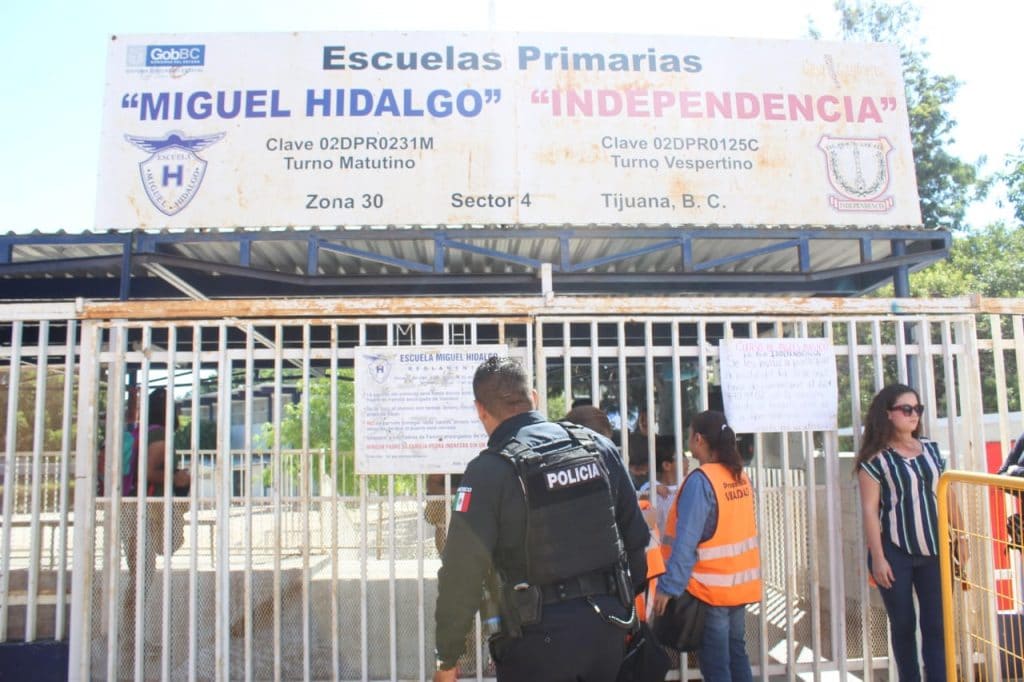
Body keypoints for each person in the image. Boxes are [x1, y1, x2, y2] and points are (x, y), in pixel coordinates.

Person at [433, 356, 649, 682]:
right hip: (607, 630)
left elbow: (461, 576)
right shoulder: (598, 447)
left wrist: (447, 658)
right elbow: (636, 541)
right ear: (533, 397)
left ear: (480, 409)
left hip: (535, 640)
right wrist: (622, 612)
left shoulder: (489, 472)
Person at [854, 383, 965, 682]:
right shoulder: (875, 460)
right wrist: (877, 558)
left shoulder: (930, 449)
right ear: (888, 414)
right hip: (895, 552)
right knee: (903, 626)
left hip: (936, 550)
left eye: (918, 409)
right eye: (907, 409)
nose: (913, 414)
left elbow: (947, 493)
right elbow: (869, 511)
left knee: (937, 627)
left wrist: (961, 535)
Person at [653, 410, 761, 682]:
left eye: (690, 436)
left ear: (698, 439)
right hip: (738, 587)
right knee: (737, 655)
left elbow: (686, 542)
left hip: (710, 591)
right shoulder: (739, 477)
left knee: (716, 667)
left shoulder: (702, 481)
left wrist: (668, 587)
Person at [637, 435, 686, 537]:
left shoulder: (689, 484)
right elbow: (647, 527)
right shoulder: (650, 492)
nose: (687, 460)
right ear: (667, 465)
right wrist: (649, 493)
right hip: (662, 551)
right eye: (682, 456)